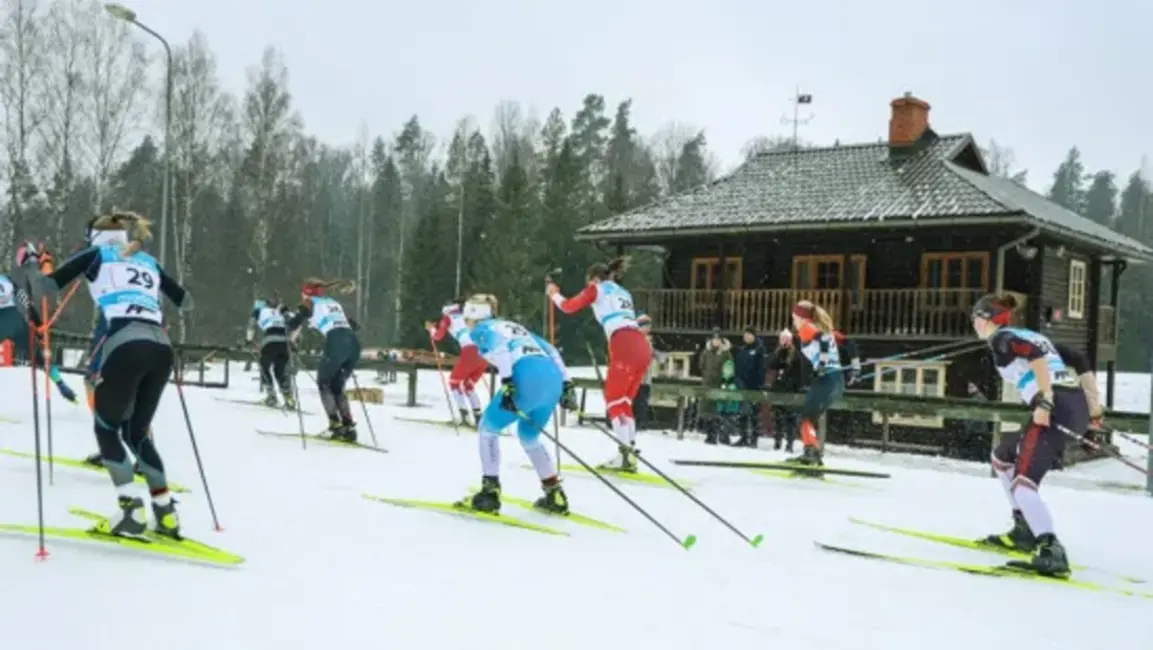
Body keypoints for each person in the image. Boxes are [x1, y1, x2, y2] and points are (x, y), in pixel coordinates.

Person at [41, 211, 192, 539]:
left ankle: (132, 512)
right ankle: (166, 515)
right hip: (161, 347)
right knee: (137, 433)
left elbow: (47, 287)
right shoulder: (147, 259)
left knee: (107, 427)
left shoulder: (95, 254)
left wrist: (42, 266)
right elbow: (185, 301)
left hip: (124, 343)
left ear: (94, 237)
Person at [971, 293, 1084, 577]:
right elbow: (1077, 360)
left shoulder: (1002, 339)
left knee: (1023, 483)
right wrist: (1090, 411)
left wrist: (1045, 400)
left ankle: (1050, 549)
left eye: (975, 318)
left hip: (1053, 406)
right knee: (1002, 456)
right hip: (1071, 404)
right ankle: (1025, 529)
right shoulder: (1025, 334)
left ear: (987, 320)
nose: (973, 323)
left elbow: (1035, 357)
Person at [455, 294, 574, 515]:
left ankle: (490, 493)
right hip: (552, 380)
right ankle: (554, 492)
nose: (466, 324)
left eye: (466, 318)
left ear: (473, 314)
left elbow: (501, 351)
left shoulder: (483, 329)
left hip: (525, 377)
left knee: (488, 428)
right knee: (529, 436)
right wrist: (567, 385)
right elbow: (553, 351)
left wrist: (508, 383)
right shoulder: (512, 326)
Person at [547, 257, 652, 472]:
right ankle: (629, 450)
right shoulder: (623, 292)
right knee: (624, 402)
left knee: (613, 400)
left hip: (623, 342)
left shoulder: (597, 288)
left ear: (594, 278)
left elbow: (568, 307)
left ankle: (625, 454)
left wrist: (553, 294)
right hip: (640, 344)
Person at [0, 242, 78, 403]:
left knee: (38, 354)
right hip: (15, 319)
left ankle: (61, 385)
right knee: (39, 357)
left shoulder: (11, 279)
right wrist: (38, 326)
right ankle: (61, 384)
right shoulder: (10, 280)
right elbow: (26, 304)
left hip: (7, 317)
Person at [286, 278, 361, 442]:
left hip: (336, 342)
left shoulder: (310, 302)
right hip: (353, 344)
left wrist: (287, 323)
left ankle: (335, 425)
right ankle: (348, 425)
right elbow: (353, 326)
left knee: (324, 383)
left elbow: (294, 323)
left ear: (307, 292)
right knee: (337, 385)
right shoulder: (332, 302)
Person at [782, 300, 846, 466]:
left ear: (802, 317)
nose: (794, 321)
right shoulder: (821, 327)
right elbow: (842, 341)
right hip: (837, 382)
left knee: (805, 419)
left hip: (826, 380)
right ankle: (813, 453)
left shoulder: (806, 327)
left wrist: (823, 363)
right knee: (810, 417)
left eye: (794, 317)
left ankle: (811, 453)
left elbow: (824, 340)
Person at [427, 298, 488, 426]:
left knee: (454, 382)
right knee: (468, 385)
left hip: (469, 351)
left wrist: (431, 330)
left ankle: (464, 415)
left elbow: (438, 336)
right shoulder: (467, 316)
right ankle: (478, 417)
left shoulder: (448, 318)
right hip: (483, 352)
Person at [247, 293, 296, 409]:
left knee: (264, 367)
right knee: (280, 370)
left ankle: (271, 396)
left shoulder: (259, 311)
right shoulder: (282, 311)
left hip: (270, 340)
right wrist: (292, 341)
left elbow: (251, 325)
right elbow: (295, 325)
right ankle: (289, 397)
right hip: (284, 341)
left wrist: (249, 339)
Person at [734, 326, 767, 447]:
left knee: (754, 414)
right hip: (741, 386)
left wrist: (757, 384)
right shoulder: (742, 351)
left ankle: (754, 439)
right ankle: (743, 437)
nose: (746, 337)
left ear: (754, 335)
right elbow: (737, 369)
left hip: (754, 386)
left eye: (749, 334)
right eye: (745, 334)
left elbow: (761, 370)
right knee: (742, 413)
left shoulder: (760, 350)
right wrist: (738, 381)